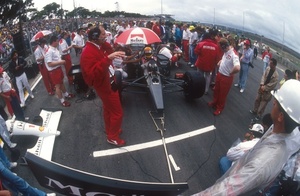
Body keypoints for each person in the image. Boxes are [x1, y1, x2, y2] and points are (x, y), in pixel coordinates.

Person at [193, 79, 300, 195]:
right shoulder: (290, 131)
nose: (273, 103)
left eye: (276, 103)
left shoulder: (262, 164)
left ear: (280, 116)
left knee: (224, 162)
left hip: (242, 185)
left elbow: (225, 191)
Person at [80, 26, 126, 147]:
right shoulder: (88, 52)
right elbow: (92, 74)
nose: (106, 36)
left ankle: (110, 129)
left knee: (108, 109)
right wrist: (107, 59)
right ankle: (112, 137)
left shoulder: (97, 46)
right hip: (104, 85)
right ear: (95, 38)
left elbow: (109, 53)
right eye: (103, 35)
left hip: (108, 81)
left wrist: (107, 50)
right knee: (117, 113)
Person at [208, 38, 240, 116]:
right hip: (220, 74)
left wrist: (231, 73)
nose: (222, 51)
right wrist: (220, 62)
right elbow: (224, 59)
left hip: (226, 77)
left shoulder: (234, 54)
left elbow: (237, 68)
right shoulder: (226, 52)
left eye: (223, 49)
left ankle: (219, 108)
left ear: (225, 47)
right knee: (216, 90)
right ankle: (214, 102)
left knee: (223, 94)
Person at [44, 35, 75, 107]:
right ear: (53, 42)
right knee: (57, 86)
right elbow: (50, 64)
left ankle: (66, 94)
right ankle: (62, 101)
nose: (58, 42)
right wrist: (60, 62)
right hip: (54, 71)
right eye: (57, 41)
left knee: (61, 82)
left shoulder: (54, 49)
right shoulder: (49, 51)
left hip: (58, 69)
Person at [194, 29, 220, 95]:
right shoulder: (216, 47)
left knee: (199, 76)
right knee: (208, 76)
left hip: (200, 63)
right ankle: (206, 90)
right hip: (209, 65)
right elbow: (217, 57)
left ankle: (198, 88)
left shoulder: (201, 44)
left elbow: (196, 52)